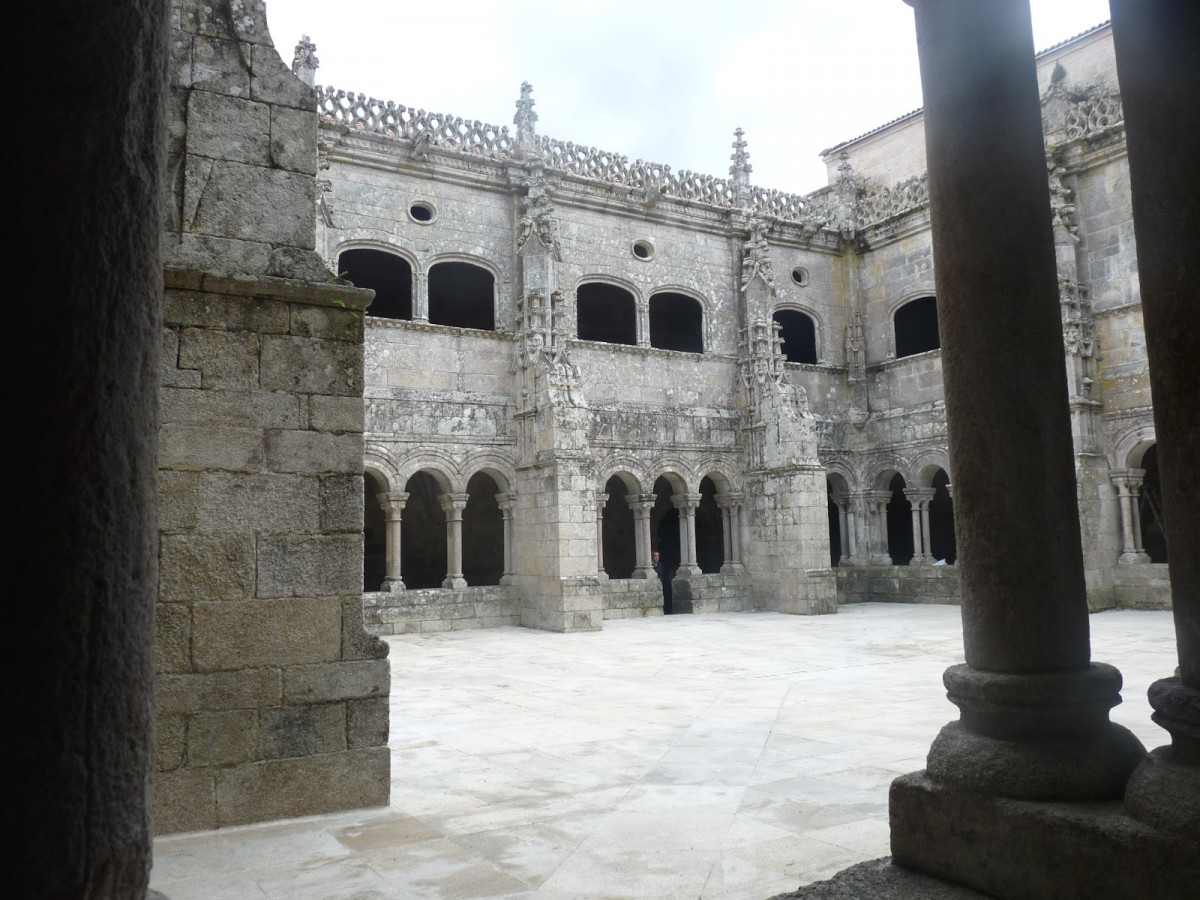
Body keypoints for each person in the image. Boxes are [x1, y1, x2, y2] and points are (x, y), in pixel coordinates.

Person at [652, 550, 673, 614]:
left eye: (658, 556)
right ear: (652, 557)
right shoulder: (649, 566)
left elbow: (661, 574)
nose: (656, 558)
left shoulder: (660, 565)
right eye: (655, 556)